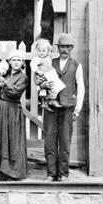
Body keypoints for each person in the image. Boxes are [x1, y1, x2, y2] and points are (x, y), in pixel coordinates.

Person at [36, 33, 85, 182]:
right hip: (51, 107)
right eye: (62, 46)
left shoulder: (76, 65)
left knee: (64, 141)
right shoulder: (49, 62)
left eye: (68, 47)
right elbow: (39, 83)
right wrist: (42, 86)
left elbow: (80, 88)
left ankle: (63, 174)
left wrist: (77, 110)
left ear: (72, 48)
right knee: (50, 140)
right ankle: (51, 173)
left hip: (67, 108)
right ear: (57, 48)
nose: (65, 49)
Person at [0, 50, 29, 181]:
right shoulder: (5, 74)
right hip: (0, 110)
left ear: (22, 63)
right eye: (13, 60)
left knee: (12, 140)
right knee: (0, 138)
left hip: (13, 111)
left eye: (19, 60)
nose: (16, 62)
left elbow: (15, 92)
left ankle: (12, 172)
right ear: (9, 62)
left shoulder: (23, 78)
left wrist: (2, 84)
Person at [30, 38, 65, 111]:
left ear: (48, 51)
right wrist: (37, 70)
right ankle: (47, 102)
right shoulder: (37, 59)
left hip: (50, 74)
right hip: (44, 75)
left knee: (57, 86)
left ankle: (50, 101)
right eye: (39, 51)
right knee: (50, 86)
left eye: (43, 51)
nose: (41, 53)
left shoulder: (49, 57)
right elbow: (32, 64)